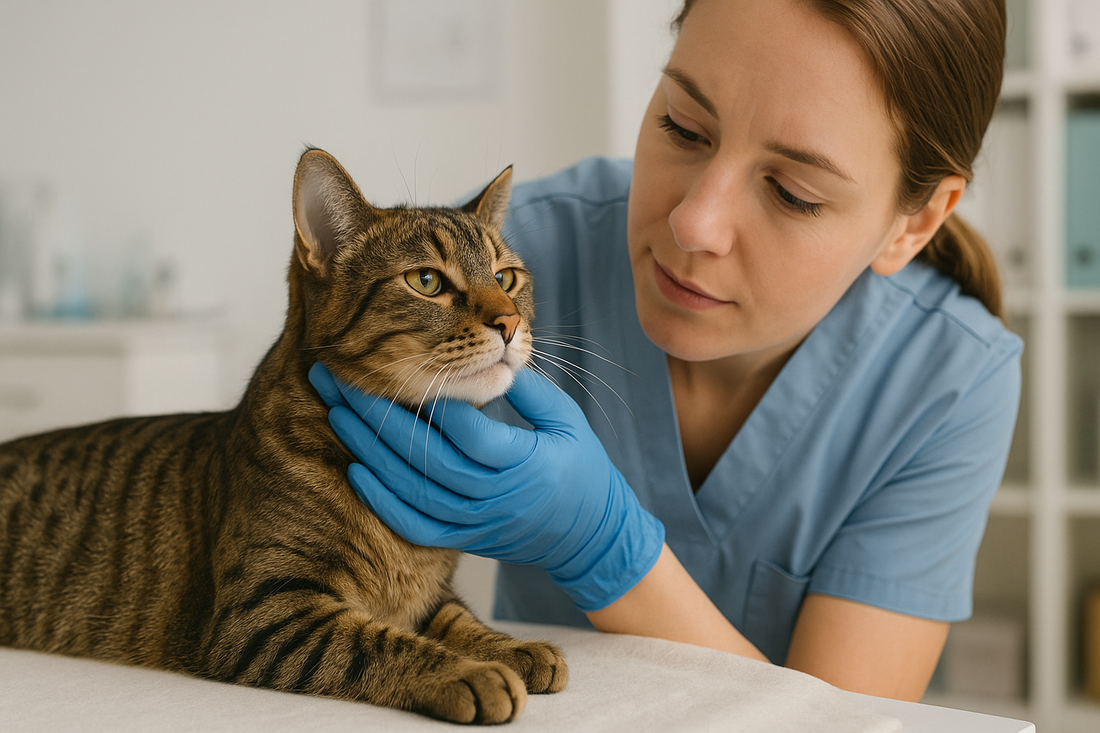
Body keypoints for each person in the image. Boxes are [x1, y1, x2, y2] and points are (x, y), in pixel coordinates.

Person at [310, 0, 1022, 702]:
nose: (693, 222)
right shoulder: (499, 266)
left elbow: (837, 726)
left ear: (916, 221)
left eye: (793, 192)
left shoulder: (952, 380)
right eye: (683, 127)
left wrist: (604, 549)